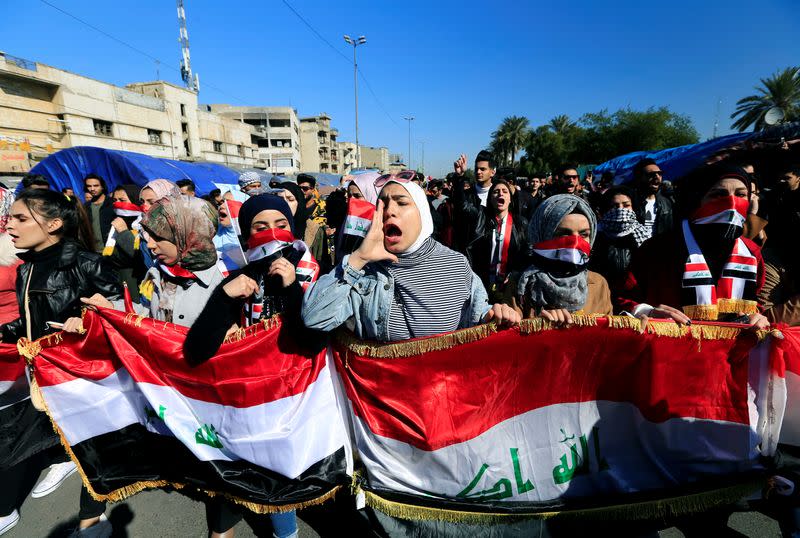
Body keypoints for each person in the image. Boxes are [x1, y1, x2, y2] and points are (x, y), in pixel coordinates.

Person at [183, 195, 305, 538]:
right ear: (245, 235)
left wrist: (293, 288)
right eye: (260, 227)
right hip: (244, 398)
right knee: (242, 469)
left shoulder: (312, 274)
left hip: (292, 398)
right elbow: (196, 350)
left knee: (281, 473)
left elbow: (312, 342)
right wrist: (224, 298)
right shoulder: (237, 279)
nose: (272, 234)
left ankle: (286, 532)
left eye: (281, 226)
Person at [3, 189, 121, 537]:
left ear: (54, 224)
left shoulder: (88, 263)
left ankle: (91, 524)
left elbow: (119, 317)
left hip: (84, 377)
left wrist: (88, 320)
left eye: (21, 218)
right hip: (44, 374)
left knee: (93, 452)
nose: (10, 225)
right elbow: (29, 322)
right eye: (10, 218)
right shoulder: (27, 268)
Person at [302, 177, 520, 341]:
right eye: (383, 204)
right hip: (381, 398)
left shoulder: (456, 264)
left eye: (401, 202)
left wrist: (495, 315)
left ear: (423, 214)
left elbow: (477, 315)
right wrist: (358, 258)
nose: (389, 211)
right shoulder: (363, 270)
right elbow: (314, 318)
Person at [618, 163, 769, 329]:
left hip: (731, 351)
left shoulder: (751, 252)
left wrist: (758, 317)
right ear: (698, 199)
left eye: (741, 195)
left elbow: (755, 304)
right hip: (670, 348)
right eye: (718, 195)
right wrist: (647, 311)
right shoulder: (658, 249)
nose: (732, 203)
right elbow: (623, 299)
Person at [504, 194, 612, 323]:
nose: (575, 242)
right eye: (564, 234)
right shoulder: (521, 283)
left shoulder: (599, 283)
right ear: (542, 234)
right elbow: (511, 337)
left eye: (584, 235)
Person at [464, 179, 530, 302]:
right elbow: (462, 206)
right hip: (483, 283)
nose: (500, 194)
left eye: (505, 191)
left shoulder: (521, 223)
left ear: (510, 199)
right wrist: (459, 177)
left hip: (509, 285)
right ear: (490, 198)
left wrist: (515, 273)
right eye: (496, 192)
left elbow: (527, 253)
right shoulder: (482, 219)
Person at [590, 186, 650, 301]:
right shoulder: (595, 236)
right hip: (601, 298)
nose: (621, 210)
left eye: (626, 205)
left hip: (636, 300)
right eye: (615, 206)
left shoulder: (643, 236)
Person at [104, 184, 146, 301]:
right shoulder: (114, 219)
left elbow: (139, 255)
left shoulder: (142, 223)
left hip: (135, 278)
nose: (117, 203)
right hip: (116, 277)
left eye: (122, 200)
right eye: (115, 200)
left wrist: (123, 232)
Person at [276, 182, 329, 273]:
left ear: (298, 202)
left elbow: (321, 263)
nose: (284, 203)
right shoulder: (267, 228)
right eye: (280, 199)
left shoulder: (315, 230)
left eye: (290, 199)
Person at [631, 158, 673, 238]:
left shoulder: (667, 202)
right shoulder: (629, 202)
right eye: (651, 174)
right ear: (639, 178)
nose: (657, 176)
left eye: (659, 173)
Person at [83, 174, 114, 254]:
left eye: (96, 185)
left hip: (112, 250)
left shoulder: (112, 204)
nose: (92, 189)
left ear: (102, 186)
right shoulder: (86, 206)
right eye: (89, 186)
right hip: (93, 251)